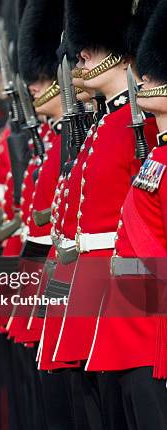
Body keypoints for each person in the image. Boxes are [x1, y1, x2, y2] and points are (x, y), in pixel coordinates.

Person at [87, 0, 167, 426]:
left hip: (151, 327)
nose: (147, 80)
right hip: (129, 318)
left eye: (156, 75)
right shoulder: (157, 154)